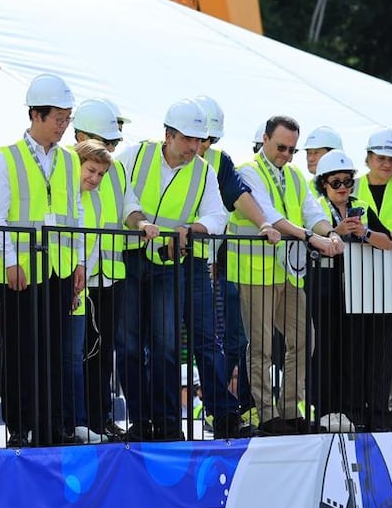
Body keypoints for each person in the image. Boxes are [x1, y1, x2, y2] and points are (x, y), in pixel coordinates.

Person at [118, 100, 228, 441]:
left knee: (165, 345)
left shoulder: (204, 170)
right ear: (168, 135)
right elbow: (122, 196)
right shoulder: (135, 156)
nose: (195, 147)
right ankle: (139, 419)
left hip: (170, 264)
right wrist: (141, 222)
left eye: (199, 140)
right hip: (132, 259)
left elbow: (217, 215)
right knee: (130, 344)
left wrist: (192, 229)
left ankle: (167, 423)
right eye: (188, 139)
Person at [0, 74, 88, 447]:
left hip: (58, 268)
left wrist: (79, 261)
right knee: (18, 351)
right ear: (36, 115)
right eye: (58, 118)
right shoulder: (6, 157)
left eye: (67, 118)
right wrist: (11, 260)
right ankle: (19, 426)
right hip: (21, 273)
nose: (64, 126)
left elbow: (75, 214)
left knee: (53, 350)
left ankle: (50, 425)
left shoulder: (68, 160)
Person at [228, 115, 342, 436]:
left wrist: (330, 232)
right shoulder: (247, 171)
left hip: (288, 274)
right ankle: (267, 414)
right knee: (262, 347)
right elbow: (270, 216)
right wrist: (312, 237)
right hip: (255, 273)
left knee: (305, 339)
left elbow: (313, 211)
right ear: (264, 139)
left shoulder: (293, 177)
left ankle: (291, 410)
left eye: (292, 150)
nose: (287, 155)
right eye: (281, 147)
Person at [191, 95, 270, 438]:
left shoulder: (220, 163)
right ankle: (214, 407)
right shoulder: (160, 161)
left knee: (233, 341)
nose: (204, 146)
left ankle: (217, 405)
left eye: (210, 140)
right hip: (179, 265)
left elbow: (239, 196)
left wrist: (265, 224)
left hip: (215, 268)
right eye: (201, 138)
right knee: (191, 342)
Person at [309, 149, 392, 433]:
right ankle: (326, 410)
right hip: (323, 288)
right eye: (336, 182)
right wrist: (337, 230)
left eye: (347, 182)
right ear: (323, 182)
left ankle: (357, 410)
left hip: (357, 291)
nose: (343, 189)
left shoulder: (360, 205)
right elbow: (310, 237)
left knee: (355, 351)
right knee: (324, 350)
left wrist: (364, 233)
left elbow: (389, 241)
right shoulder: (315, 207)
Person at [72, 100, 126, 441]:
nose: (109, 149)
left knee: (103, 354)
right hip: (81, 278)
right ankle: (83, 420)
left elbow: (130, 207)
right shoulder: (68, 174)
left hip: (109, 275)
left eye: (114, 143)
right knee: (79, 354)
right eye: (104, 141)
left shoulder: (115, 171)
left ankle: (99, 418)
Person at [353, 128, 392, 432]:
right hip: (359, 279)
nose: (387, 164)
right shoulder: (351, 185)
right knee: (362, 348)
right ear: (368, 158)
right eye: (381, 158)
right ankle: (366, 407)